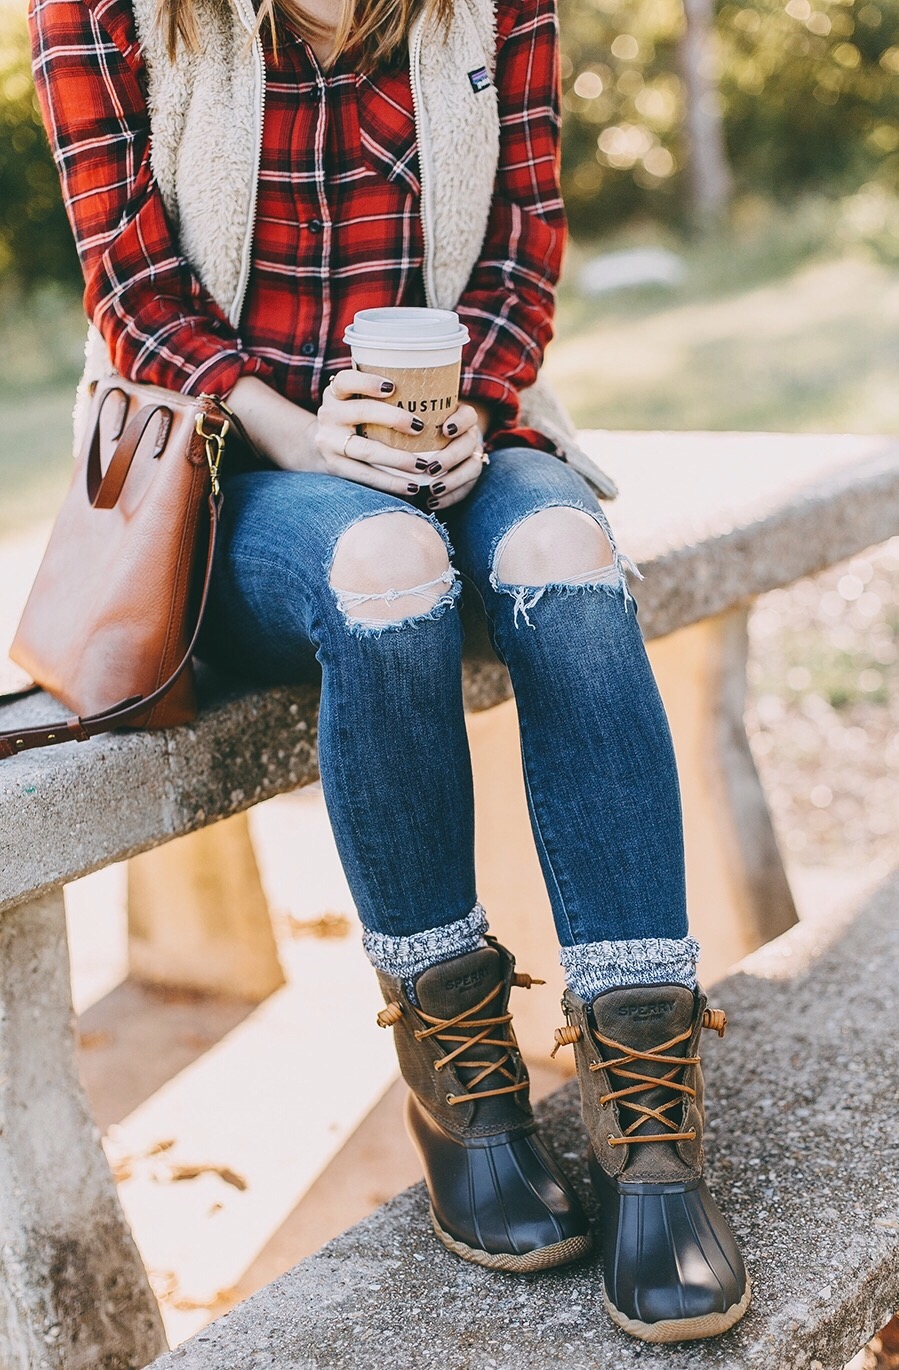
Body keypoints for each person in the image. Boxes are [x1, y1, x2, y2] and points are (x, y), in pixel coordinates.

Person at [29, 0, 750, 1342]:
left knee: (564, 552)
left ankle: (650, 1125)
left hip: (455, 432)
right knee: (387, 573)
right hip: (238, 466)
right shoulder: (103, 11)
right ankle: (461, 1082)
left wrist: (472, 406)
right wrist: (303, 435)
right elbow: (134, 291)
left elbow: (525, 246)